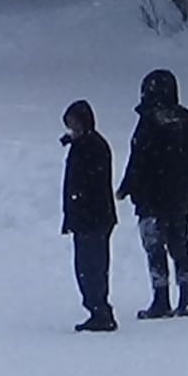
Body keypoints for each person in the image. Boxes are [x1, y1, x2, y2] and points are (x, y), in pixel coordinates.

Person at [116, 69, 188, 319]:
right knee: (180, 245)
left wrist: (127, 187)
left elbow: (138, 159)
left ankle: (161, 298)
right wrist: (185, 188)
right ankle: (186, 299)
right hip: (177, 199)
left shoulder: (149, 121)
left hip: (150, 199)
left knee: (155, 247)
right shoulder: (187, 120)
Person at [61, 101, 118, 332]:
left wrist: (76, 212)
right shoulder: (86, 145)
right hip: (90, 218)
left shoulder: (91, 147)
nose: (71, 129)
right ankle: (97, 308)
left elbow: (85, 184)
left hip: (93, 218)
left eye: (73, 124)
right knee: (89, 266)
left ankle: (100, 311)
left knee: (91, 267)